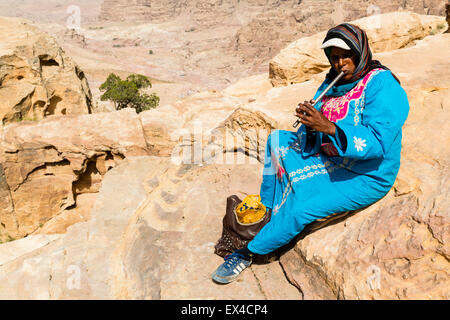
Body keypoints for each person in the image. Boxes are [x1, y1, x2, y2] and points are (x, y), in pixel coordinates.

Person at [211, 23, 410, 284]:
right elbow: (319, 123)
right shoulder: (333, 81)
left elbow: (378, 141)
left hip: (365, 172)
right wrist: (311, 123)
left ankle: (249, 252)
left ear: (361, 52)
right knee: (277, 141)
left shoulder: (383, 86)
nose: (341, 64)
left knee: (301, 207)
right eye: (334, 57)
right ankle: (268, 208)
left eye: (346, 55)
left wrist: (327, 126)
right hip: (330, 155)